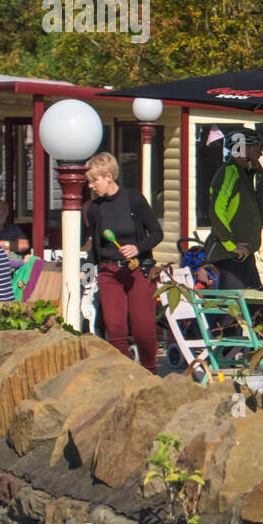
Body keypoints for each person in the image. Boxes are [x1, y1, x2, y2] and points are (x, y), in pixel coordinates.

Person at [84, 152, 164, 374]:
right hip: (109, 273)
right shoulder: (94, 208)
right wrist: (87, 272)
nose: (90, 186)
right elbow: (95, 246)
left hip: (137, 270)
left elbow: (157, 233)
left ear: (109, 176)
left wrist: (138, 248)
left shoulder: (133, 198)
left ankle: (149, 372)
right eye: (89, 181)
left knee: (143, 330)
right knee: (115, 330)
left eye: (94, 180)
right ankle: (125, 375)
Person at [207, 130, 263, 290]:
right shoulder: (230, 172)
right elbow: (217, 209)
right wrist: (230, 244)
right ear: (242, 149)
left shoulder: (243, 174)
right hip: (230, 256)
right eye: (256, 148)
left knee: (254, 309)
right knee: (234, 310)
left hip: (244, 255)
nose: (260, 153)